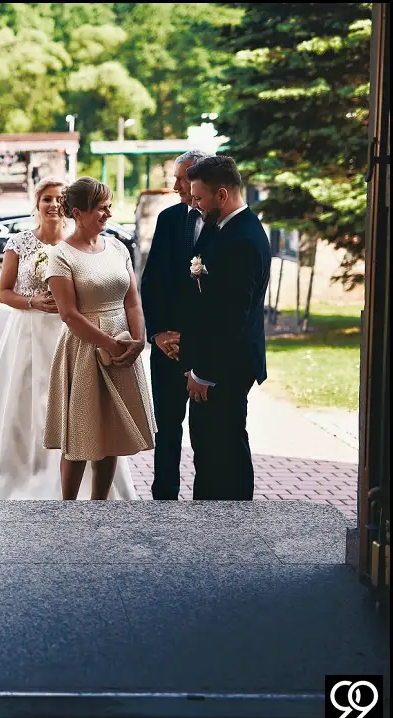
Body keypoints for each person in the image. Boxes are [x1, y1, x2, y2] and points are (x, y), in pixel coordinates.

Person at [0, 178, 139, 500]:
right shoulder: (21, 243)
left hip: (74, 331)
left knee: (82, 407)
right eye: (47, 199)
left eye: (59, 198)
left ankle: (92, 487)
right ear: (37, 203)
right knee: (28, 401)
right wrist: (33, 302)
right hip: (30, 333)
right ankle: (23, 474)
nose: (53, 204)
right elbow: (3, 292)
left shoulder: (87, 246)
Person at [43, 177, 157, 500]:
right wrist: (108, 344)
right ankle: (68, 509)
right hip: (84, 351)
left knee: (110, 433)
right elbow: (69, 314)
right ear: (78, 213)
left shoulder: (118, 248)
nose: (108, 214)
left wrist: (138, 341)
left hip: (123, 347)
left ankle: (99, 507)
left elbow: (132, 300)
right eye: (101, 208)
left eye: (109, 207)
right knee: (81, 433)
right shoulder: (61, 256)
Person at [180, 155, 271, 500]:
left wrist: (204, 373)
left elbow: (231, 317)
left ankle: (227, 528)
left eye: (199, 198)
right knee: (213, 448)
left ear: (221, 195)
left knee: (223, 451)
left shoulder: (243, 240)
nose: (195, 205)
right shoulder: (226, 229)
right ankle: (216, 527)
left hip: (226, 367)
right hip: (220, 361)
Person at [138, 149, 212, 500]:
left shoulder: (220, 222)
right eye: (176, 177)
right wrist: (157, 333)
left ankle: (203, 507)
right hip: (166, 349)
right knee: (167, 431)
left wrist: (195, 339)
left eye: (183, 177)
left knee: (205, 434)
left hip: (203, 349)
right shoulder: (168, 219)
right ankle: (163, 501)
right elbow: (150, 282)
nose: (176, 184)